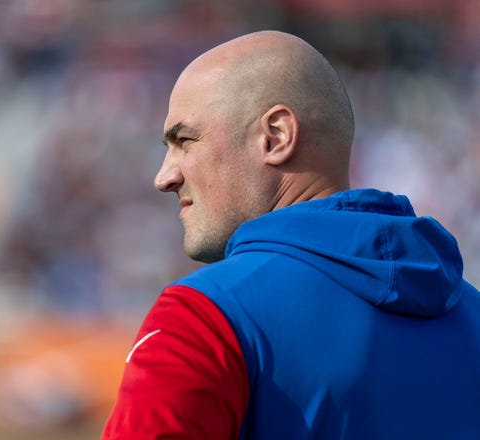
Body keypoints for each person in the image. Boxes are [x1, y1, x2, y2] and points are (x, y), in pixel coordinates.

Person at [101, 30, 480, 439]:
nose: (164, 177)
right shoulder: (472, 315)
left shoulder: (204, 319)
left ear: (276, 137)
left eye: (184, 141)